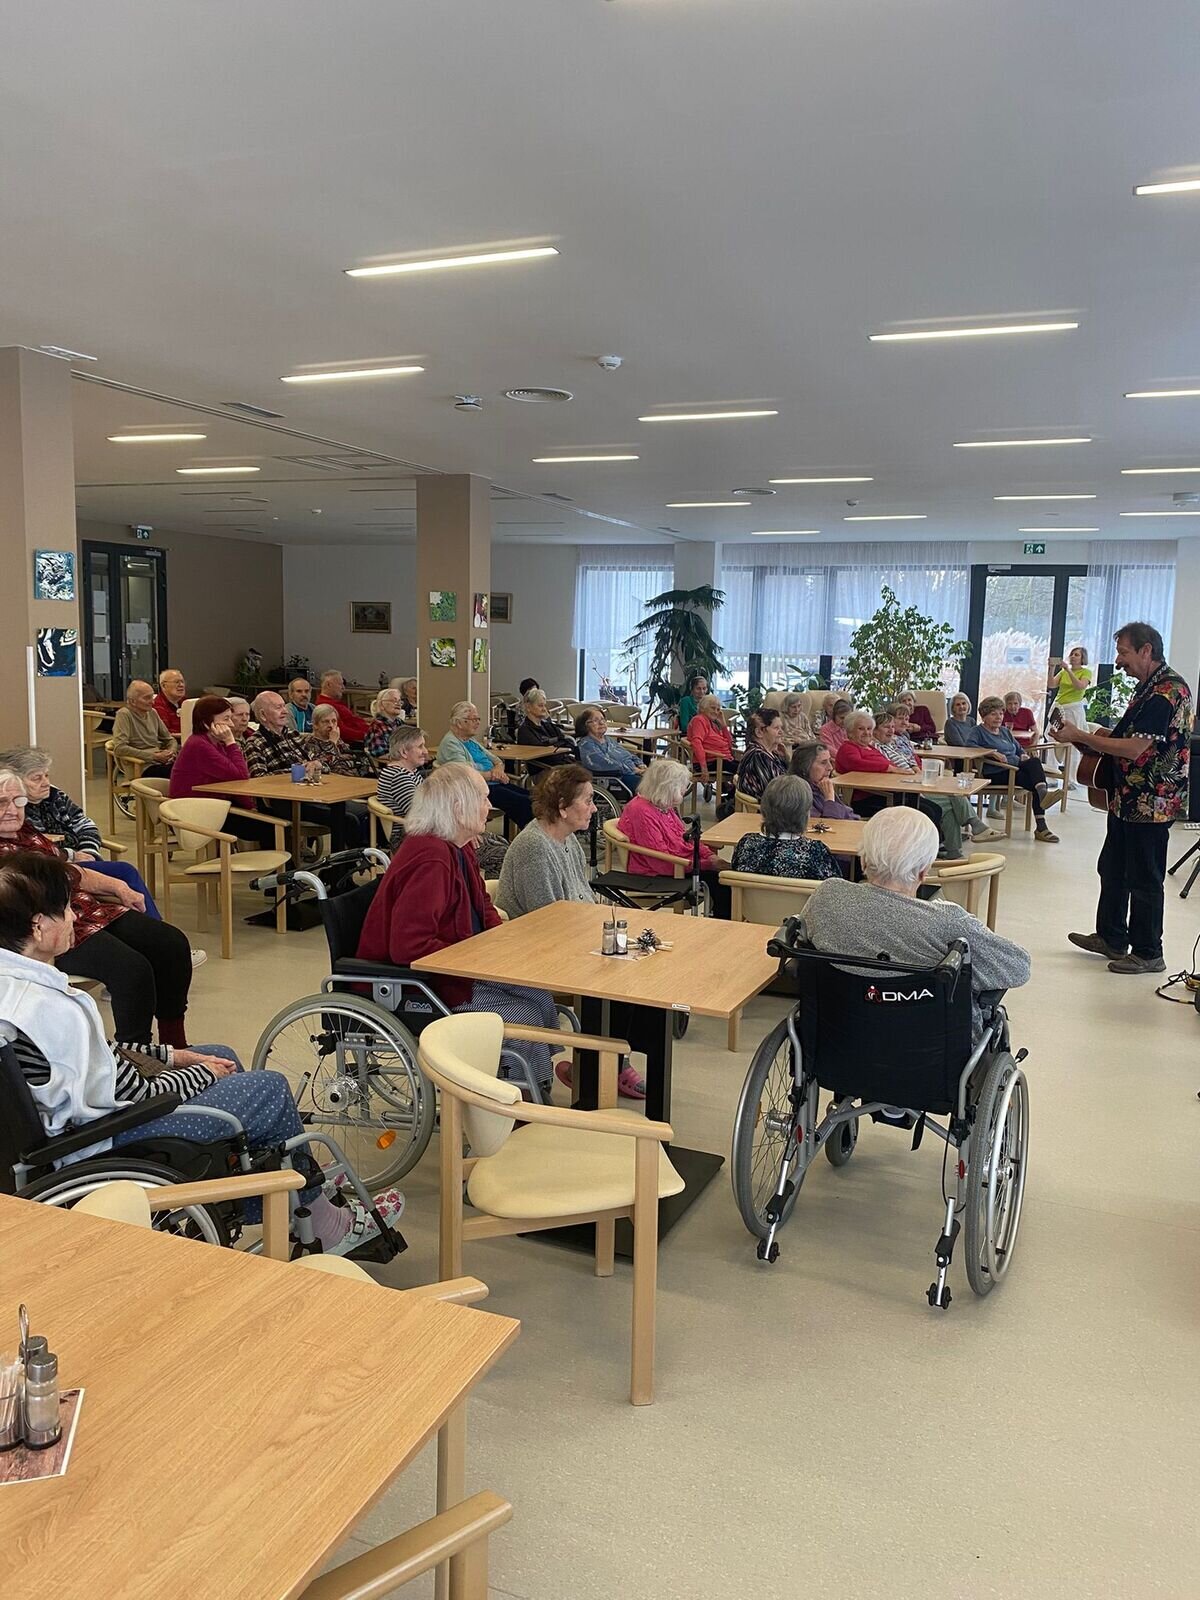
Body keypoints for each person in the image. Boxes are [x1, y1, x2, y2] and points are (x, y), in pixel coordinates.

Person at [0, 850, 396, 1253]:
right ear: (39, 926)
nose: (74, 917)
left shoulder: (15, 986)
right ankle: (321, 1221)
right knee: (270, 1088)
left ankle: (289, 1189)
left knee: (220, 1053)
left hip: (80, 1121)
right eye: (67, 908)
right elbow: (136, 1093)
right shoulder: (51, 1009)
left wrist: (176, 1057)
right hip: (106, 1137)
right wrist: (203, 1073)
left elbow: (100, 1053)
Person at [357, 764, 561, 1096]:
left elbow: (482, 905)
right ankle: (511, 1099)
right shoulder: (431, 858)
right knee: (522, 1015)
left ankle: (535, 1082)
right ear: (457, 807)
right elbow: (408, 946)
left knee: (537, 993)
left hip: (459, 967)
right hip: (424, 984)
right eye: (483, 798)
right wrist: (473, 957)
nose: (489, 805)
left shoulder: (459, 846)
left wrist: (501, 943)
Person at [801, 807, 1031, 1043]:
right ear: (923, 872)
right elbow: (1018, 967)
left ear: (864, 860)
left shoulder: (827, 896)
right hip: (931, 1051)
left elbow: (802, 940)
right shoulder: (949, 922)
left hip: (838, 1039)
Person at [0, 769, 193, 1045]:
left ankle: (174, 1041)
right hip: (40, 930)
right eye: (2, 802)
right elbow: (57, 879)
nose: (12, 810)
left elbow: (68, 869)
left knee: (171, 943)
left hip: (83, 910)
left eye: (18, 801)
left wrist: (118, 887)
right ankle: (136, 1052)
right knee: (131, 969)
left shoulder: (26, 831)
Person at [494, 765, 652, 1099]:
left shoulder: (567, 840)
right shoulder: (534, 847)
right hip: (534, 951)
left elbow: (582, 901)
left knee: (638, 968)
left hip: (566, 940)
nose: (594, 808)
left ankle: (605, 1062)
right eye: (588, 800)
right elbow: (548, 920)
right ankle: (598, 1068)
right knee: (616, 977)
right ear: (563, 807)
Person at [1060, 622, 1192, 975]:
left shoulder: (1166, 692)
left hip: (1151, 802)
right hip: (1127, 798)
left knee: (1144, 878)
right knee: (1113, 867)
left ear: (1146, 650)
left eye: (1123, 653)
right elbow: (1130, 738)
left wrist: (1082, 735)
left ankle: (1149, 952)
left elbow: (1135, 748)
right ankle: (1112, 938)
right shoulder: (1148, 688)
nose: (1118, 661)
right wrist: (1085, 738)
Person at [0, 745, 163, 919]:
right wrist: (72, 855)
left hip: (79, 861)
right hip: (59, 868)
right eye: (37, 778)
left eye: (46, 775)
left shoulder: (55, 795)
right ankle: (150, 920)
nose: (46, 782)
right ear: (17, 780)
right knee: (124, 871)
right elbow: (37, 853)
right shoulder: (16, 814)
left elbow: (84, 824)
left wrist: (88, 850)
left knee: (125, 873)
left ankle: (150, 922)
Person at [874, 706, 1002, 851]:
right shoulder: (878, 746)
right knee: (952, 797)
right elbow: (887, 765)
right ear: (875, 730)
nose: (892, 730)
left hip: (915, 779)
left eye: (892, 726)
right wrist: (912, 772)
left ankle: (955, 851)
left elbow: (911, 759)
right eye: (887, 727)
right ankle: (972, 831)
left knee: (951, 799)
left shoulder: (896, 741)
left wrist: (917, 770)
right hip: (904, 785)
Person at [246, 691, 354, 853]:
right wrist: (296, 770)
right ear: (262, 715)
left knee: (361, 813)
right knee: (348, 820)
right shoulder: (255, 742)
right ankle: (338, 866)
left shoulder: (293, 735)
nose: (285, 711)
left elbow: (320, 764)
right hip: (285, 803)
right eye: (278, 708)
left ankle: (351, 864)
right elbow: (258, 780)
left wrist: (316, 764)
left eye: (284, 706)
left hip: (312, 794)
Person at [620, 759, 731, 917]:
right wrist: (707, 864)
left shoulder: (662, 805)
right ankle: (724, 925)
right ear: (667, 787)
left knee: (727, 876)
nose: (685, 790)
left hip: (678, 863)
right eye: (682, 787)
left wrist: (710, 856)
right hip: (656, 872)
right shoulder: (641, 811)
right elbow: (660, 862)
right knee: (722, 882)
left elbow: (687, 839)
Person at [169, 696, 284, 847]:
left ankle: (283, 861)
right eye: (226, 719)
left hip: (214, 806)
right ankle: (278, 862)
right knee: (271, 825)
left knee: (276, 815)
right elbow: (240, 776)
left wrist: (250, 807)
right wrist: (231, 741)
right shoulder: (199, 745)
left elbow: (236, 780)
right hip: (194, 813)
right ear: (207, 723)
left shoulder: (214, 743)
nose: (231, 724)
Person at [833, 710, 951, 852]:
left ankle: (930, 849)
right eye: (861, 729)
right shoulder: (848, 748)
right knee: (925, 812)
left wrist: (898, 770)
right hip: (867, 798)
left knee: (934, 808)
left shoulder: (870, 747)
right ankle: (919, 851)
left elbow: (888, 763)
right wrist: (889, 768)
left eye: (869, 728)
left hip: (887, 791)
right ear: (850, 732)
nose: (866, 732)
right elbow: (858, 763)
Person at [972, 697, 1060, 844]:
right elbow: (969, 747)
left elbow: (1018, 748)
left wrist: (1023, 754)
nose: (998, 717)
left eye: (1000, 713)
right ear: (984, 716)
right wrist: (992, 753)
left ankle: (1042, 810)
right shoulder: (977, 731)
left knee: (1035, 775)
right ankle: (1041, 826)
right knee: (1036, 778)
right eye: (993, 714)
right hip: (995, 772)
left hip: (1014, 769)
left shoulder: (1004, 731)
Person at [437, 701, 533, 830]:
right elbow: (465, 773)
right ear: (459, 723)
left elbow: (497, 760)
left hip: (493, 783)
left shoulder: (471, 741)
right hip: (476, 790)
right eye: (473, 719)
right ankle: (531, 835)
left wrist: (498, 770)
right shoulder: (450, 743)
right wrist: (493, 775)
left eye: (478, 719)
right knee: (526, 803)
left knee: (534, 798)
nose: (477, 723)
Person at [730, 775, 841, 882]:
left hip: (752, 896)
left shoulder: (746, 844)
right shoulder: (816, 852)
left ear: (764, 808)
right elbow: (835, 888)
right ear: (805, 814)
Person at [573, 707, 645, 801]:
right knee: (653, 786)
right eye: (595, 720)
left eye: (603, 719)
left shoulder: (608, 740)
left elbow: (628, 755)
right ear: (585, 725)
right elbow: (604, 763)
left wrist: (641, 765)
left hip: (632, 773)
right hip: (617, 779)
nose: (601, 723)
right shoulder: (586, 744)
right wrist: (634, 770)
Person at [1047, 645, 1093, 786]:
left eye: (1077, 654)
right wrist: (1051, 668)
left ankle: (1071, 779)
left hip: (1073, 709)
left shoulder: (1086, 672)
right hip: (1059, 708)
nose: (1073, 656)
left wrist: (1068, 670)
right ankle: (1051, 776)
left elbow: (1080, 686)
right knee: (1052, 741)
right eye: (1072, 654)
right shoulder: (1063, 672)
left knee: (1073, 743)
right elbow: (1051, 685)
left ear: (1083, 658)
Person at [111, 680, 177, 777]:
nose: (152, 702)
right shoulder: (124, 715)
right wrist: (154, 756)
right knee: (181, 772)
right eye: (147, 698)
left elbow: (170, 739)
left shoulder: (152, 712)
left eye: (152, 697)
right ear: (132, 701)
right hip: (142, 766)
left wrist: (171, 752)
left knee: (191, 766)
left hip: (160, 761)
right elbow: (120, 748)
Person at [377, 724, 429, 839]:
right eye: (420, 747)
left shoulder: (411, 771)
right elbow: (419, 812)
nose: (425, 751)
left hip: (418, 830)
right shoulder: (398, 776)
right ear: (404, 752)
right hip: (407, 837)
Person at [789, 741, 859, 820]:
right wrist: (829, 799)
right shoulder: (797, 794)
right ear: (805, 767)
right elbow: (827, 825)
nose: (830, 768)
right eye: (823, 763)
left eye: (830, 761)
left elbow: (848, 812)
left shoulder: (820, 785)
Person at [735, 708, 789, 800]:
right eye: (776, 728)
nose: (781, 732)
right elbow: (776, 794)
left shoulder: (771, 753)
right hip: (773, 808)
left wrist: (786, 757)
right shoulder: (758, 756)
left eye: (781, 728)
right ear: (759, 732)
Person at [517, 688, 575, 769]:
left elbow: (566, 741)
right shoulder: (524, 730)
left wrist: (554, 746)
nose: (544, 709)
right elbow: (541, 753)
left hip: (560, 763)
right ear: (528, 707)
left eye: (545, 705)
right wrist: (557, 744)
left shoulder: (546, 724)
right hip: (544, 769)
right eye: (540, 706)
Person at [686, 694, 735, 780]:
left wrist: (723, 725)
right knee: (746, 770)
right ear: (702, 708)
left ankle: (730, 788)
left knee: (748, 767)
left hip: (721, 760)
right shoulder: (699, 720)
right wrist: (704, 767)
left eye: (718, 709)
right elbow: (696, 743)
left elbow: (730, 744)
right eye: (713, 708)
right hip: (710, 762)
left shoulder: (713, 724)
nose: (716, 712)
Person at [316, 670, 369, 745]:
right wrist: (367, 735)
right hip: (356, 742)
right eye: (340, 684)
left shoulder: (335, 703)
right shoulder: (325, 706)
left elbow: (351, 720)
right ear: (329, 685)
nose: (343, 688)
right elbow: (341, 731)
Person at [365, 687, 404, 761]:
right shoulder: (377, 725)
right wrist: (406, 757)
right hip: (389, 764)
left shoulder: (399, 722)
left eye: (399, 701)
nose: (398, 704)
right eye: (393, 701)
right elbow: (379, 752)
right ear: (381, 705)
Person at [153, 669, 187, 737]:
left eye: (182, 682)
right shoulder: (157, 706)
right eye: (177, 682)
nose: (181, 685)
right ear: (164, 686)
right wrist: (187, 735)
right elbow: (165, 735)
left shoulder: (186, 702)